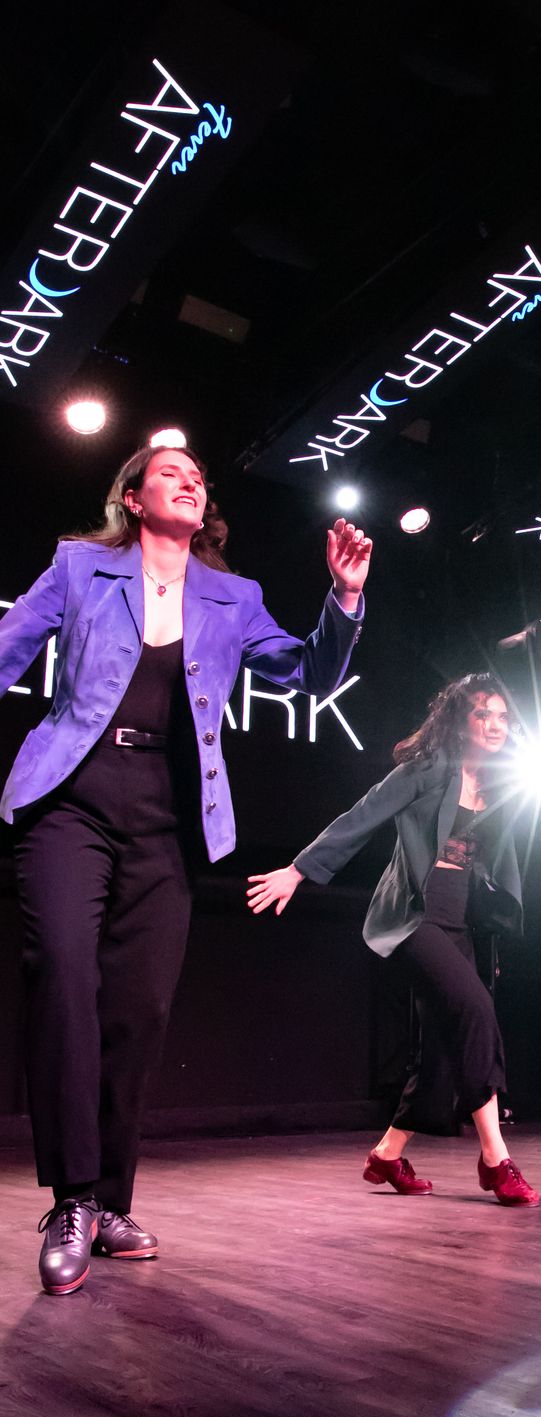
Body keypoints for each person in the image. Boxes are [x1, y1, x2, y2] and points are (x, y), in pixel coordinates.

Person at [0, 442, 373, 1292]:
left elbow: (310, 673)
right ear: (133, 498)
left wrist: (345, 598)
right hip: (71, 798)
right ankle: (71, 1199)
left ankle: (110, 1203)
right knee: (62, 976)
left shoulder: (233, 597)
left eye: (199, 475)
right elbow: (7, 649)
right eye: (170, 472)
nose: (190, 480)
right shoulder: (80, 567)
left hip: (168, 816)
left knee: (140, 1010)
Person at [247, 672, 539, 1207]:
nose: (495, 725)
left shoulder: (502, 782)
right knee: (476, 1010)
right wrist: (299, 870)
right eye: (483, 713)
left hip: (462, 919)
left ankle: (386, 1155)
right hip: (413, 916)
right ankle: (495, 1159)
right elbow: (362, 815)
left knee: (441, 1049)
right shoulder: (426, 769)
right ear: (460, 721)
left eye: (502, 716)